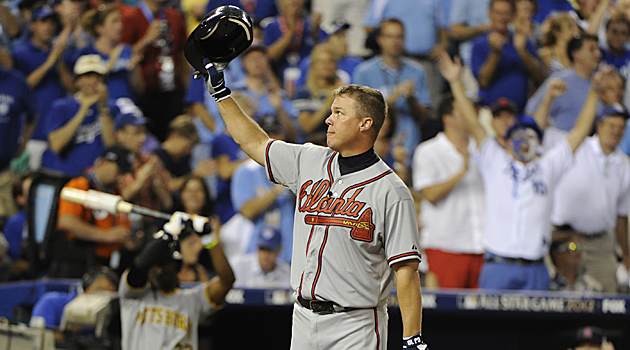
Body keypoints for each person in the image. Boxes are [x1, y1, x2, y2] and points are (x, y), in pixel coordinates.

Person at [199, 57, 426, 348]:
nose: (329, 119)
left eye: (339, 113)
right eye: (331, 112)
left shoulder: (391, 191)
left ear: (365, 124)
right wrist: (221, 93)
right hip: (303, 319)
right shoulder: (309, 159)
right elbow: (255, 143)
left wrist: (412, 337)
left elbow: (406, 271)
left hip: (356, 325)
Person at [438, 50, 598, 291]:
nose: (525, 140)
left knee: (535, 330)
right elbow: (473, 122)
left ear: (538, 142)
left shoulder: (548, 165)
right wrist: (454, 81)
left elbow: (580, 132)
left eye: (531, 136)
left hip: (536, 269)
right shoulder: (494, 159)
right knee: (492, 329)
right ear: (508, 140)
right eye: (520, 135)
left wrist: (594, 92)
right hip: (498, 266)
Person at [119, 212, 235, 350]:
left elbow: (226, 281)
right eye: (157, 264)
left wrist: (208, 239)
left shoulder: (193, 298)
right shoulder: (132, 296)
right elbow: (139, 266)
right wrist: (170, 232)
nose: (161, 270)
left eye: (167, 264)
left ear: (177, 266)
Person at [550, 103, 630, 293]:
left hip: (600, 243)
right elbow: (543, 128)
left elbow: (621, 216)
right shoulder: (578, 147)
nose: (616, 131)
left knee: (608, 298)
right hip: (564, 240)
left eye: (621, 127)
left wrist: (626, 254)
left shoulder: (625, 164)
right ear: (599, 126)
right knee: (559, 296)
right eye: (612, 125)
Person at [412, 93, 485, 289]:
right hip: (446, 246)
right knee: (448, 315)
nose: (472, 115)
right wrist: (462, 171)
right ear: (448, 118)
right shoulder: (429, 151)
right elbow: (429, 194)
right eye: (464, 111)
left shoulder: (484, 151)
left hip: (482, 245)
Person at [51, 145, 134, 278]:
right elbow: (67, 222)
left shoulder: (115, 192)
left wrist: (128, 240)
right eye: (119, 171)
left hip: (108, 265)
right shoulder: (79, 185)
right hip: (78, 263)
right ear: (104, 162)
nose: (121, 177)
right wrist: (105, 235)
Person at [353, 18, 430, 159]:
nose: (394, 42)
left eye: (399, 37)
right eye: (389, 36)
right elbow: (359, 114)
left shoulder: (416, 71)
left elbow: (423, 117)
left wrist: (411, 98)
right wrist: (396, 95)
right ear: (380, 40)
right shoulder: (363, 72)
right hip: (374, 150)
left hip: (409, 147)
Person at [12, 5, 73, 170]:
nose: (49, 27)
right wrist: (49, 63)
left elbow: (73, 88)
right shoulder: (21, 54)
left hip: (58, 132)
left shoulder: (62, 54)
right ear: (32, 25)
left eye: (52, 23)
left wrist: (59, 61)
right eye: (43, 22)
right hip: (33, 134)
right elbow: (21, 87)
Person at [120, 0, 188, 141]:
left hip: (174, 90)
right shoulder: (131, 17)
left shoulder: (175, 17)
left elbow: (184, 55)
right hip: (146, 94)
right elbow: (122, 55)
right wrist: (146, 39)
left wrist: (188, 92)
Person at [231, 115, 295, 263]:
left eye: (275, 133)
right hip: (255, 252)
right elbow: (247, 210)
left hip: (290, 252)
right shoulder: (245, 171)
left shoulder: (294, 167)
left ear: (283, 135)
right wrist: (275, 191)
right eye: (267, 133)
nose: (271, 138)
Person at [42, 54, 118, 177]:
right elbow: (56, 145)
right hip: (67, 176)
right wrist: (83, 109)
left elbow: (112, 148)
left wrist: (103, 108)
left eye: (98, 76)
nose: (94, 81)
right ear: (77, 81)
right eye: (88, 76)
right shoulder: (61, 107)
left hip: (99, 179)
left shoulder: (112, 108)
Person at [471, 0, 545, 111]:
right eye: (498, 13)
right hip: (490, 112)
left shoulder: (522, 41)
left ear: (512, 15)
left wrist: (522, 51)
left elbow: (540, 76)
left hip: (520, 112)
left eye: (506, 13)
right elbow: (483, 82)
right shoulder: (480, 44)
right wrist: (495, 53)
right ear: (490, 14)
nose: (502, 18)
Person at [525, 34, 602, 133]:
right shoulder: (559, 81)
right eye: (592, 49)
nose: (598, 54)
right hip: (561, 144)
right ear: (576, 54)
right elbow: (531, 112)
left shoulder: (600, 84)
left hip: (590, 145)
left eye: (598, 49)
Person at [29, 267, 119, 331]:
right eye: (99, 291)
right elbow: (40, 336)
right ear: (86, 288)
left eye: (109, 295)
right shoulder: (51, 302)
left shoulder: (109, 317)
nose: (103, 297)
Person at [549, 228, 603, 293]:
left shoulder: (591, 285)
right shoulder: (545, 283)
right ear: (557, 252)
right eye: (573, 247)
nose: (579, 253)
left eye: (580, 248)